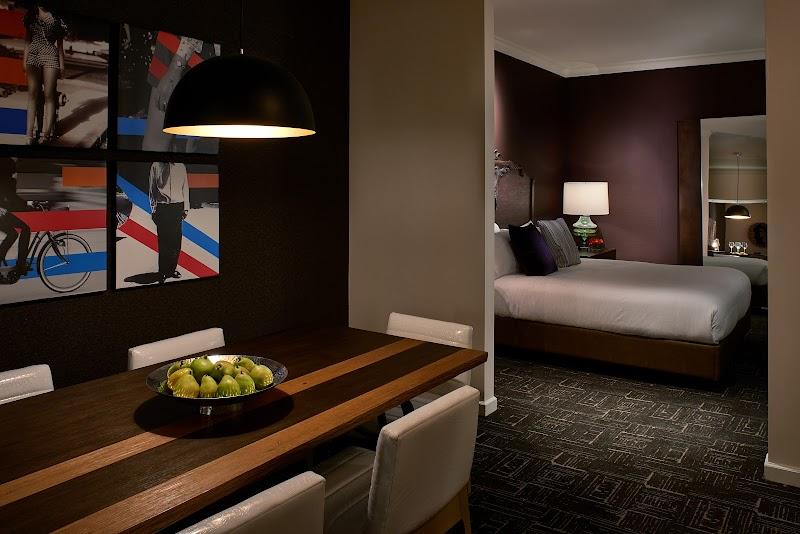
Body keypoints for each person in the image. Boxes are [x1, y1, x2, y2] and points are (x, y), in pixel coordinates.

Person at [23, 2, 66, 145]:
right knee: (32, 94)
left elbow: (60, 45)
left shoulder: (57, 19)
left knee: (49, 95)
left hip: (51, 56)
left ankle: (46, 135)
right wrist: (24, 60)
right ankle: (29, 135)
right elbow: (27, 41)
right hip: (33, 55)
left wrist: (62, 65)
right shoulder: (31, 16)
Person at [149, 161, 189, 283]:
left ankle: (171, 270)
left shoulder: (181, 166)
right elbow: (152, 188)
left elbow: (185, 187)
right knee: (164, 241)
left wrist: (186, 208)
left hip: (177, 207)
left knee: (176, 242)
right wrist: (153, 209)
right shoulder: (156, 165)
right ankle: (162, 272)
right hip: (163, 207)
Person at [0, 160, 31, 276]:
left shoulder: (5, 179)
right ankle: (21, 265)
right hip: (1, 213)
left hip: (2, 212)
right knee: (25, 229)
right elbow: (13, 201)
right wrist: (28, 205)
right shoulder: (8, 181)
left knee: (12, 234)